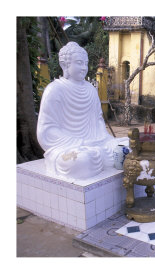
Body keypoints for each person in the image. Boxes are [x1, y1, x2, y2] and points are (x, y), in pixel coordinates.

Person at [37, 42, 128, 179]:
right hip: (71, 147)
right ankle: (92, 158)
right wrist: (80, 143)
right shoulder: (55, 90)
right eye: (79, 63)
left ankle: (99, 155)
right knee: (80, 161)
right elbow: (47, 131)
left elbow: (98, 120)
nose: (84, 67)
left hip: (97, 142)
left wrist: (104, 139)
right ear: (65, 65)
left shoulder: (90, 89)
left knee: (126, 146)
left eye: (86, 63)